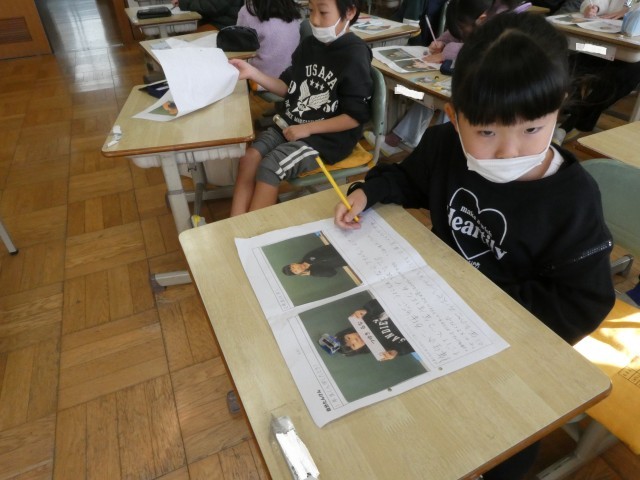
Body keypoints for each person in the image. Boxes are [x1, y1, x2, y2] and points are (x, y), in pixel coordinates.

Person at [335, 13, 615, 477]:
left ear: (557, 110)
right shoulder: (445, 147)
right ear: (454, 116)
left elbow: (582, 302)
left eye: (532, 129)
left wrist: (479, 304)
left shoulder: (572, 200)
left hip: (513, 347)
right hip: (433, 317)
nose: (509, 150)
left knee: (499, 447)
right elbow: (408, 180)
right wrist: (370, 192)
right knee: (400, 423)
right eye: (486, 132)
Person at [228, 0, 373, 215]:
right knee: (249, 158)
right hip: (292, 124)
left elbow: (354, 117)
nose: (314, 20)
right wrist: (253, 73)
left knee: (270, 167)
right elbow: (288, 88)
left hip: (327, 139)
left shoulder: (355, 54)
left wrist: (308, 128)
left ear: (350, 12)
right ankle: (236, 224)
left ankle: (254, 231)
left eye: (323, 12)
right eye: (311, 11)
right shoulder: (309, 45)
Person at [384, 0, 521, 150]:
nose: (460, 31)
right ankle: (404, 135)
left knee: (450, 104)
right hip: (456, 77)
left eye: (462, 27)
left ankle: (438, 147)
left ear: (481, 19)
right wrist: (441, 43)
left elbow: (476, 49)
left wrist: (445, 52)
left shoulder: (500, 26)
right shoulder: (472, 16)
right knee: (425, 96)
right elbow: (452, 34)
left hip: (484, 88)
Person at [554, 0, 640, 144]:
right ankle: (561, 111)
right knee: (575, 60)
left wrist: (629, 11)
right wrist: (593, 7)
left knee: (618, 77)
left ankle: (569, 125)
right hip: (606, 44)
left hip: (632, 56)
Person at [237, 0, 301, 80]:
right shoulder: (292, 10)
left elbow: (239, 48)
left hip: (260, 80)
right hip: (290, 79)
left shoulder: (247, 12)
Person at [335, 299, 414, 360]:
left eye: (349, 338)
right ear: (358, 350)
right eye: (353, 345)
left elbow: (381, 301)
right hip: (416, 327)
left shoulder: (363, 319)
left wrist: (367, 310)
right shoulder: (381, 350)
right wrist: (397, 351)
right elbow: (412, 346)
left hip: (407, 307)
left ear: (348, 332)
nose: (355, 340)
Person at [171, 0, 243, 30]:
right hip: (214, 21)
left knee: (188, 38)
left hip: (223, 26)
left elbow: (212, 6)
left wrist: (183, 3)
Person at [282, 244, 347, 277]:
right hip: (347, 260)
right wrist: (313, 273)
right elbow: (333, 273)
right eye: (295, 271)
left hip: (343, 249)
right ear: (298, 274)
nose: (297, 268)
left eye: (293, 267)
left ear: (293, 263)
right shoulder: (314, 272)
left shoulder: (308, 257)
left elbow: (327, 247)